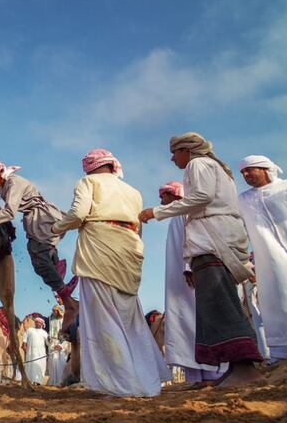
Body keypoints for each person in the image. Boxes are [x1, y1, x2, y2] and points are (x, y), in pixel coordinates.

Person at [140, 133, 264, 387]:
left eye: (175, 152)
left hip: (211, 242)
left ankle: (244, 368)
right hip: (215, 240)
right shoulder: (215, 168)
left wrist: (157, 212)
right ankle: (235, 368)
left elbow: (201, 197)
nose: (172, 158)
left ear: (187, 150)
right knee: (217, 303)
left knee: (220, 304)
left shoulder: (199, 165)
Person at [55, 148, 170, 397]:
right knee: (129, 319)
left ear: (91, 166)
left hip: (99, 254)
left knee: (103, 319)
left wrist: (56, 227)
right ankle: (145, 382)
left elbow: (77, 214)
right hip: (128, 254)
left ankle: (119, 385)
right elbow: (138, 228)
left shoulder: (88, 182)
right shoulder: (133, 191)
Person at [0, 161, 80, 333]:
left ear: (0, 171)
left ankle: (69, 302)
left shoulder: (14, 183)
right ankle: (59, 274)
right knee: (38, 261)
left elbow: (9, 213)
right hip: (34, 221)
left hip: (42, 219)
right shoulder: (0, 182)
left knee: (40, 260)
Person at [158, 181, 227, 384]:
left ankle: (213, 374)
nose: (161, 201)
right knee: (184, 324)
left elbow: (194, 239)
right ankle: (195, 377)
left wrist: (189, 267)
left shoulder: (186, 213)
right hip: (178, 282)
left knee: (198, 321)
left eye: (164, 196)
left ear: (174, 196)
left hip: (189, 278)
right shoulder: (177, 217)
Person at [238, 155, 287, 362]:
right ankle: (280, 356)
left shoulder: (284, 189)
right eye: (243, 172)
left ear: (265, 169)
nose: (246, 175)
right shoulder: (242, 199)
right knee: (276, 299)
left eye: (250, 170)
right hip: (268, 259)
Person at [22, 315, 49, 384]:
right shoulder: (30, 330)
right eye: (36, 322)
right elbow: (25, 339)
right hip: (31, 352)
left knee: (39, 365)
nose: (37, 324)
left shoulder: (44, 333)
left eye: (39, 323)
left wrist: (50, 340)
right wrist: (24, 345)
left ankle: (38, 381)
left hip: (41, 353)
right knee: (30, 365)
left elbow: (48, 343)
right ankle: (29, 380)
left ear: (42, 324)